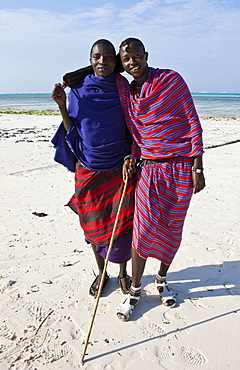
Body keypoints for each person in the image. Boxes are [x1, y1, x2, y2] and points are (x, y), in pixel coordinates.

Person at [114, 37, 206, 321]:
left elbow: (192, 121)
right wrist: (131, 157)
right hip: (149, 171)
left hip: (180, 170)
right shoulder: (127, 94)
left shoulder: (171, 80)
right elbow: (136, 137)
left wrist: (198, 167)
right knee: (141, 232)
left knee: (172, 229)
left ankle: (162, 279)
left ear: (146, 55)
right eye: (126, 59)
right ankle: (135, 291)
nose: (133, 62)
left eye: (136, 56)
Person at [51, 39, 137, 298]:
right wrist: (62, 106)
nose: (102, 62)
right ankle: (102, 273)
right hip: (87, 168)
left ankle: (122, 273)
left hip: (119, 168)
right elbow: (73, 130)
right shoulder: (78, 88)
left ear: (116, 62)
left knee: (122, 226)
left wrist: (131, 157)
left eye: (108, 57)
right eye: (97, 57)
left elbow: (135, 125)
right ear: (90, 60)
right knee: (92, 225)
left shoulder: (122, 87)